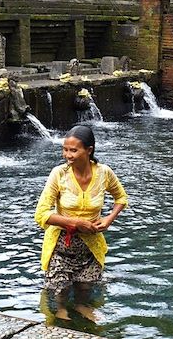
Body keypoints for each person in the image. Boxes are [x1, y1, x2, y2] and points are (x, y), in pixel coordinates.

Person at [34, 125, 128, 320]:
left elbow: (121, 198)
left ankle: (81, 306)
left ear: (89, 150)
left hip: (90, 244)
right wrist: (76, 223)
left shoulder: (104, 173)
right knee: (60, 286)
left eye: (73, 150)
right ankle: (60, 310)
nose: (67, 155)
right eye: (65, 149)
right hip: (61, 244)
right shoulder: (59, 174)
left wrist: (108, 219)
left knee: (86, 284)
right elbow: (41, 213)